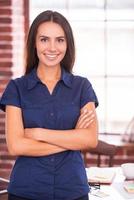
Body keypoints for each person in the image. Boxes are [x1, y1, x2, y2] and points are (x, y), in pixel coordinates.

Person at [0, 10, 99, 200]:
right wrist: (72, 139)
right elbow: (16, 146)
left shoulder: (82, 86)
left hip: (72, 191)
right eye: (44, 39)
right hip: (26, 191)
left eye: (60, 40)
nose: (52, 47)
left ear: (67, 44)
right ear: (34, 44)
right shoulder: (17, 88)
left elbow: (90, 139)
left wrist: (38, 134)